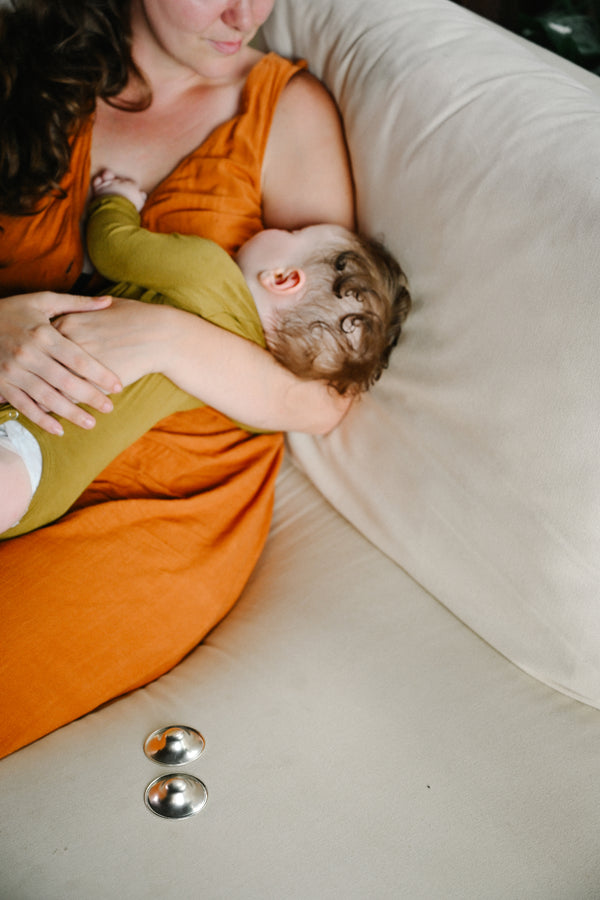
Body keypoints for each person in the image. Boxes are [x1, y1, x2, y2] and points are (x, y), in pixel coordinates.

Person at [0, 0, 355, 759]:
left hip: (158, 506)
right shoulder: (24, 63)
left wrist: (168, 338)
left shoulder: (284, 114)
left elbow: (325, 393)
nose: (245, 13)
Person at [0, 169, 410, 539]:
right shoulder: (235, 386)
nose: (281, 229)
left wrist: (116, 200)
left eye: (293, 232)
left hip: (26, 397)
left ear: (284, 278)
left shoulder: (207, 268)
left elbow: (113, 247)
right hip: (44, 471)